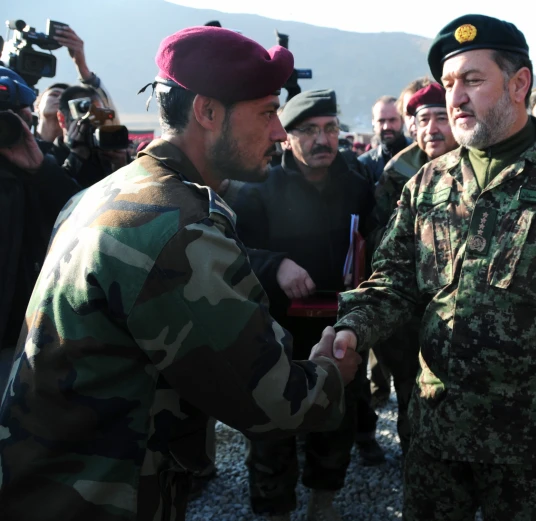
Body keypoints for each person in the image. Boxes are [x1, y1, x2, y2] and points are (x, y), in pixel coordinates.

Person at [0, 26, 360, 521]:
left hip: (49, 481)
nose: (279, 132)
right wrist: (331, 374)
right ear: (208, 112)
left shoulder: (106, 192)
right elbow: (274, 403)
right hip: (101, 496)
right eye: (267, 112)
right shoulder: (178, 228)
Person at [333, 14, 536, 521]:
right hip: (437, 433)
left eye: (472, 80)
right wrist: (352, 328)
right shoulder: (427, 183)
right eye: (448, 84)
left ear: (519, 83)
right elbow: (394, 283)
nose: (455, 98)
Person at [220, 89, 375, 521]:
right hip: (275, 329)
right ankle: (275, 509)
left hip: (338, 323)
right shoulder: (257, 186)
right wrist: (276, 266)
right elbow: (226, 250)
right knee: (273, 422)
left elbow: (376, 240)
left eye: (329, 128)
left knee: (334, 417)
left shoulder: (356, 182)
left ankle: (323, 501)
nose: (322, 139)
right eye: (308, 130)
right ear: (287, 137)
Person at [369, 82, 458, 458]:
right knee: (411, 390)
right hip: (412, 307)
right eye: (424, 120)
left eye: (441, 117)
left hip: (463, 310)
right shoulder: (399, 172)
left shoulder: (480, 163)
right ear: (413, 126)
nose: (433, 129)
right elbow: (383, 242)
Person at [0, 67, 82, 393]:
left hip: (26, 338)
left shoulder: (39, 168)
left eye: (14, 117)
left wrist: (40, 170)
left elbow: (81, 219)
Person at [357, 95, 410, 182]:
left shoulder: (421, 156)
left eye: (392, 120)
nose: (386, 127)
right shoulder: (364, 164)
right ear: (373, 123)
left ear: (403, 119)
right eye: (381, 121)